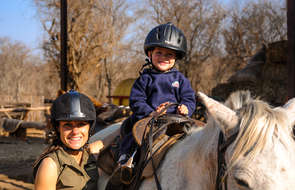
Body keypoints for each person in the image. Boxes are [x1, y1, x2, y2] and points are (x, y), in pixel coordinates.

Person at [119, 22, 196, 164]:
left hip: (176, 120)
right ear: (150, 53)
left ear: (175, 58)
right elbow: (136, 101)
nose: (163, 57)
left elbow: (189, 98)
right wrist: (151, 113)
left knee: (197, 135)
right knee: (136, 135)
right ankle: (126, 160)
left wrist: (186, 107)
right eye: (159, 52)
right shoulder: (144, 79)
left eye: (169, 54)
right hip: (150, 120)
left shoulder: (181, 79)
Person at [33, 90, 104, 190]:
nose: (75, 132)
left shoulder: (89, 156)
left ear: (89, 127)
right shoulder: (50, 165)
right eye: (68, 125)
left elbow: (105, 141)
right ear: (58, 128)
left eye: (81, 124)